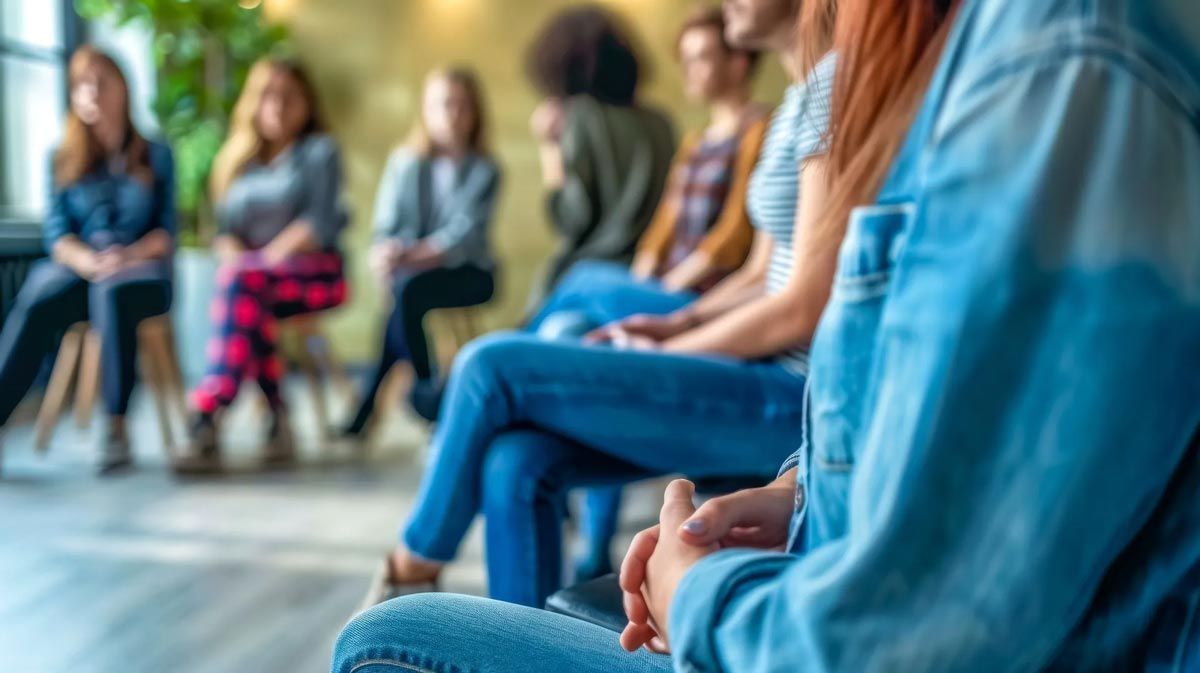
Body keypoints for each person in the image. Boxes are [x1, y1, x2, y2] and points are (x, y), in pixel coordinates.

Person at [335, 0, 1200, 670]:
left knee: (494, 373)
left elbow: (804, 307)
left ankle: (415, 550)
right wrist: (797, 491)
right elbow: (796, 292)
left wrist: (694, 585)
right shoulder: (940, 68)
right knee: (520, 441)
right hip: (806, 455)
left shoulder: (1034, 64)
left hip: (776, 395)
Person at [359, 0, 839, 611]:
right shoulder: (800, 97)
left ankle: (410, 566)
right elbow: (759, 270)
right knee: (515, 458)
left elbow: (803, 306)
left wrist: (668, 347)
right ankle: (522, 651)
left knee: (491, 364)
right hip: (751, 363)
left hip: (791, 392)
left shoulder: (833, 85)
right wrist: (675, 321)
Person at [527, 5, 771, 584]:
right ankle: (590, 546)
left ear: (739, 63)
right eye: (684, 59)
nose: (687, 70)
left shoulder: (761, 126)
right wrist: (642, 279)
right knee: (571, 334)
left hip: (698, 299)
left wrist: (662, 291)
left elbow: (729, 240)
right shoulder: (680, 133)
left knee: (579, 282)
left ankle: (504, 366)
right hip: (657, 288)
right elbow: (661, 229)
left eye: (701, 57)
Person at [0, 46, 175, 475]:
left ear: (124, 88)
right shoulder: (63, 159)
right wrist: (91, 262)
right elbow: (58, 237)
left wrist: (126, 257)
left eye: (102, 81)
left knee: (114, 292)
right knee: (41, 292)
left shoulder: (155, 155)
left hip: (142, 275)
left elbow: (165, 235)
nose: (92, 92)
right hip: (84, 271)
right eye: (82, 84)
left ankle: (116, 425)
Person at [176, 58, 348, 473]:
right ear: (253, 102)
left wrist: (267, 257)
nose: (278, 105)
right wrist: (237, 254)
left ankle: (213, 407)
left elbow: (318, 224)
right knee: (248, 295)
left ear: (308, 102)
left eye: (289, 96)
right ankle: (277, 421)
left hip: (315, 274)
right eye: (269, 95)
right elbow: (225, 232)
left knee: (245, 286)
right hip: (254, 282)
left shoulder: (319, 152)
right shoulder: (237, 162)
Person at [339, 67, 501, 439]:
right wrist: (385, 257)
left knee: (406, 293)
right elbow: (385, 226)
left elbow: (463, 239)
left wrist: (405, 257)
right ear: (426, 111)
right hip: (410, 274)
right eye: (445, 104)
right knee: (404, 292)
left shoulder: (485, 168)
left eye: (463, 105)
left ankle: (408, 397)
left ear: (476, 112)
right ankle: (428, 397)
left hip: (469, 274)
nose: (454, 114)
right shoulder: (405, 162)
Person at [523, 5, 677, 312]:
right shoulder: (661, 123)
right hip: (649, 280)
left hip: (588, 282)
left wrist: (550, 146)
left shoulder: (581, 116)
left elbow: (570, 218)